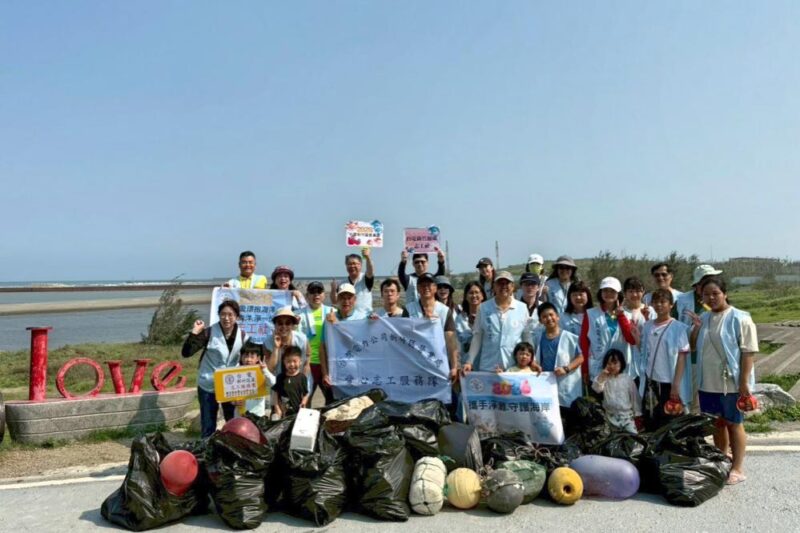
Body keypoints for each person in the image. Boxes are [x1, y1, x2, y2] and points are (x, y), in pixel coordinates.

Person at [675, 276, 758, 485]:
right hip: (707, 382)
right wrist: (695, 328)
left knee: (734, 423)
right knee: (716, 424)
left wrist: (744, 382)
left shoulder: (740, 318)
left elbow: (748, 352)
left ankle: (737, 468)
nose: (711, 298)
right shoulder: (703, 318)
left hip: (731, 383)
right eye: (706, 294)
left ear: (725, 294)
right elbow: (693, 346)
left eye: (715, 293)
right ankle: (722, 459)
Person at [181, 300, 248, 438]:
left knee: (233, 422)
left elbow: (247, 360)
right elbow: (186, 353)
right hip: (208, 384)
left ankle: (231, 447)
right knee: (208, 424)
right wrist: (194, 333)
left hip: (231, 386)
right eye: (223, 314)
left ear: (237, 316)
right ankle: (207, 447)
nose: (226, 318)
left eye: (230, 314)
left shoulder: (243, 336)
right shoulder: (209, 332)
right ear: (219, 315)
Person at [638, 288, 691, 431]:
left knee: (670, 422)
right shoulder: (647, 326)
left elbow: (681, 357)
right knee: (651, 420)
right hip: (651, 381)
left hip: (669, 382)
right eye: (656, 302)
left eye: (663, 302)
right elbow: (644, 351)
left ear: (671, 305)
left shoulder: (679, 328)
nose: (659, 305)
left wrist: (676, 385)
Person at [463, 271, 533, 373]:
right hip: (489, 366)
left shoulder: (522, 308)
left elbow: (527, 336)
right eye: (500, 283)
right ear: (494, 287)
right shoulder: (483, 308)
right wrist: (469, 361)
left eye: (507, 283)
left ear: (512, 287)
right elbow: (477, 336)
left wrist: (533, 360)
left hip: (513, 366)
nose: (503, 286)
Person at [675, 264, 722, 412]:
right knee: (692, 396)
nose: (711, 283)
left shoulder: (718, 298)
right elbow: (672, 326)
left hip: (714, 357)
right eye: (706, 280)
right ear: (697, 285)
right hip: (691, 358)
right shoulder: (682, 301)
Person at [581, 277, 638, 385]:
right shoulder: (590, 314)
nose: (608, 294)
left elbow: (631, 339)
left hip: (621, 369)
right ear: (600, 293)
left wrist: (621, 316)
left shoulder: (628, 315)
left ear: (618, 294)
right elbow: (584, 343)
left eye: (612, 291)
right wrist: (585, 369)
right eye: (605, 290)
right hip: (598, 369)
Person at [403, 273, 460, 383]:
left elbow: (451, 341)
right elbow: (403, 335)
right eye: (422, 285)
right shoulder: (409, 309)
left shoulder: (444, 310)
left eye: (429, 285)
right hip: (416, 363)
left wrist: (454, 366)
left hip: (439, 363)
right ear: (418, 289)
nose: (426, 288)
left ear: (435, 288)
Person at [319, 283, 370, 402]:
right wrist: (325, 374)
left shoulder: (362, 318)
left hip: (357, 376)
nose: (346, 301)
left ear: (355, 299)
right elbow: (323, 348)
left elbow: (358, 343)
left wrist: (336, 324)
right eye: (342, 297)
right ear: (337, 299)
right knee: (334, 409)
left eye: (349, 298)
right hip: (335, 377)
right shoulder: (328, 320)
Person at [533, 303, 583, 416]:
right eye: (544, 317)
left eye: (551, 315)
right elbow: (534, 358)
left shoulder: (569, 337)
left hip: (566, 385)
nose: (549, 318)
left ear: (557, 316)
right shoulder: (538, 338)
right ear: (540, 321)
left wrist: (566, 368)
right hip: (546, 384)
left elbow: (580, 357)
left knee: (568, 416)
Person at [297, 281, 334, 403]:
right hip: (307, 363)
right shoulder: (298, 315)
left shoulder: (332, 312)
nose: (316, 295)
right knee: (305, 400)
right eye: (312, 292)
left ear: (324, 295)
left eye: (319, 292)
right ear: (307, 296)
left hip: (327, 364)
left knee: (331, 400)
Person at [592, 349, 642, 434]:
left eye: (615, 363)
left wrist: (638, 414)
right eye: (609, 364)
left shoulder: (627, 379)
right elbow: (596, 388)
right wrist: (603, 375)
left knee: (633, 438)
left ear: (621, 363)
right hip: (609, 417)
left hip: (626, 417)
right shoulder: (604, 379)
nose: (612, 366)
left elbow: (635, 398)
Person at [262, 307, 309, 379]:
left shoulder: (302, 340)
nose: (284, 326)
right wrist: (276, 348)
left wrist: (302, 382)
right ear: (275, 325)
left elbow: (306, 363)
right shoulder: (267, 343)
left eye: (288, 323)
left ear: (292, 325)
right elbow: (269, 369)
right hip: (276, 381)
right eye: (280, 323)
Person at [236, 342, 277, 417]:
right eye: (245, 356)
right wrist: (234, 402)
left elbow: (274, 383)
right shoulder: (235, 372)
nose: (248, 360)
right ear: (241, 357)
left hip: (258, 415)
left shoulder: (262, 371)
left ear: (258, 358)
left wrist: (265, 370)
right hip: (240, 415)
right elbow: (228, 394)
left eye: (252, 357)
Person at [273, 346, 310, 418]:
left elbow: (306, 394)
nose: (292, 364)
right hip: (284, 413)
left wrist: (303, 403)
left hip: (298, 413)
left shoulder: (302, 377)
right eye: (288, 362)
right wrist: (277, 407)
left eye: (295, 361)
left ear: (300, 361)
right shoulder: (280, 377)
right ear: (284, 362)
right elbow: (276, 393)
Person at [454, 281, 486, 361]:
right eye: (471, 293)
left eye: (477, 292)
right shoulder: (460, 319)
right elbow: (458, 344)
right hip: (466, 362)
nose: (474, 295)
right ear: (466, 296)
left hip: (485, 362)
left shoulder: (488, 316)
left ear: (482, 296)